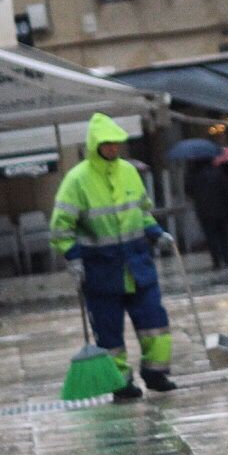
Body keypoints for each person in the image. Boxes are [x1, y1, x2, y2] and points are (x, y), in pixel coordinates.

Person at [50, 113, 180, 400]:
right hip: (101, 270)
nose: (113, 149)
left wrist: (156, 232)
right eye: (107, 144)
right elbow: (61, 227)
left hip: (138, 265)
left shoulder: (129, 172)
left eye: (116, 143)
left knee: (154, 322)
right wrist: (72, 257)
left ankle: (156, 373)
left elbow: (142, 211)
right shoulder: (77, 181)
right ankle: (120, 382)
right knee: (110, 333)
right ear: (95, 144)